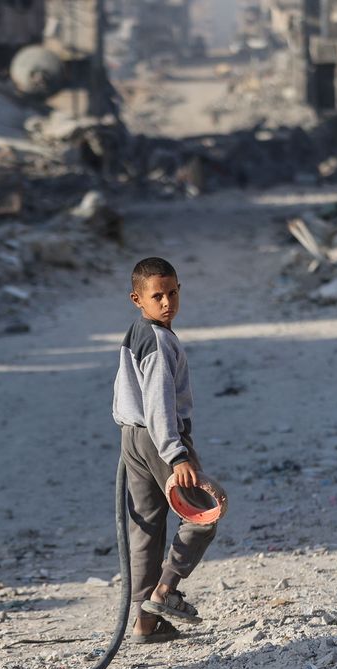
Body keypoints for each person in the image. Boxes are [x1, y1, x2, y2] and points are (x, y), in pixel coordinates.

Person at [112, 256, 217, 643]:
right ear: (137, 299)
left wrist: (133, 438)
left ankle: (144, 624)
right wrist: (177, 455)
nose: (167, 302)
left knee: (146, 529)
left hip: (132, 437)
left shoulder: (138, 331)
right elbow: (158, 405)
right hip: (160, 439)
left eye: (172, 293)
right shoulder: (158, 340)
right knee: (203, 514)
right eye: (157, 296)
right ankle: (165, 591)